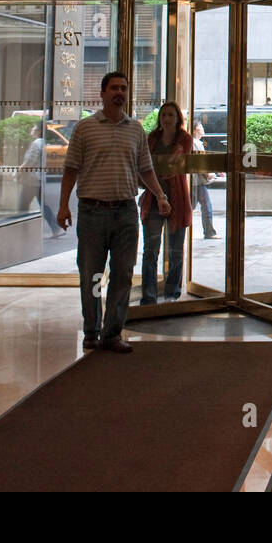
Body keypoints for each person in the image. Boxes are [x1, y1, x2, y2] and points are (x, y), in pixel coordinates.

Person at [58, 71, 172, 353]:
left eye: (123, 88)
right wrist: (62, 206)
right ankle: (91, 330)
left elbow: (146, 169)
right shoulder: (85, 129)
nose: (119, 93)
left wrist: (160, 195)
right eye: (114, 88)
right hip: (92, 212)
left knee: (122, 274)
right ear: (102, 93)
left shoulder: (135, 130)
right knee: (92, 275)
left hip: (125, 213)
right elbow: (70, 170)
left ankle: (112, 332)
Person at [139, 102, 192, 304]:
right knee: (150, 250)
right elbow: (143, 163)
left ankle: (172, 293)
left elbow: (174, 164)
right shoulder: (151, 138)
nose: (166, 119)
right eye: (163, 115)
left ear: (178, 118)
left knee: (176, 250)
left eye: (170, 115)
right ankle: (149, 296)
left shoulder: (184, 139)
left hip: (177, 199)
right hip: (153, 199)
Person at [16, 122, 60, 237]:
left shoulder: (36, 144)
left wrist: (20, 170)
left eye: (34, 127)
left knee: (22, 206)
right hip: (38, 179)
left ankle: (22, 231)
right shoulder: (42, 143)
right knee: (42, 205)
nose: (32, 129)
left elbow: (30, 161)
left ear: (39, 131)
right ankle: (55, 227)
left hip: (32, 180)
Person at [191, 121, 218, 239]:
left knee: (193, 205)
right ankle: (209, 232)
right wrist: (208, 174)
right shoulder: (196, 143)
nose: (202, 128)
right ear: (195, 130)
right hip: (197, 181)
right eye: (200, 126)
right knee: (206, 206)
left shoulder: (195, 143)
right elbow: (200, 163)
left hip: (195, 181)